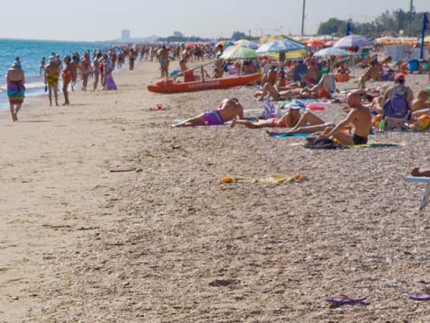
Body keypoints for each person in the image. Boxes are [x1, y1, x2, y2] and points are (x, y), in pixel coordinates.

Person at [173, 98, 244, 127]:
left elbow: (219, 108)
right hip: (219, 121)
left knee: (192, 119)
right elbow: (241, 118)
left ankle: (177, 125)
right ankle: (183, 125)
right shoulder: (240, 108)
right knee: (198, 123)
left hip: (215, 114)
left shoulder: (227, 100)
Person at [231, 106, 302, 129]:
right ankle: (237, 121)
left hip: (275, 121)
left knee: (258, 122)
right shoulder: (288, 115)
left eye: (298, 109)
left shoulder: (298, 115)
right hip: (273, 122)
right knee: (254, 125)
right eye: (296, 109)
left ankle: (260, 120)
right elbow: (289, 127)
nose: (297, 110)